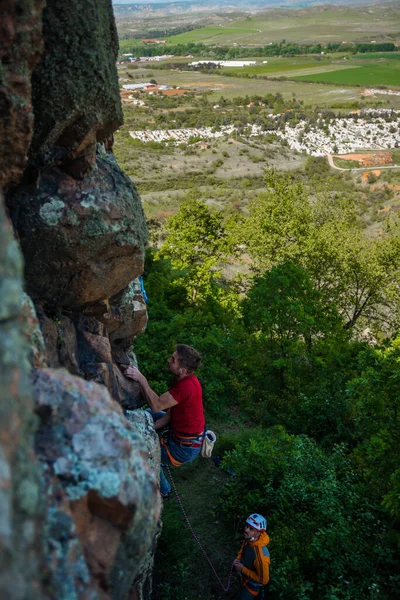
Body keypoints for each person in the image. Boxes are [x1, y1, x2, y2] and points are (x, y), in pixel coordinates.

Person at [124, 344, 205, 498]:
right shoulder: (187, 380)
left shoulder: (186, 387)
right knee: (146, 415)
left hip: (185, 447)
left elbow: (156, 405)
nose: (169, 360)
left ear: (183, 370)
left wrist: (140, 378)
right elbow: (170, 413)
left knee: (149, 455)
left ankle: (164, 490)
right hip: (184, 435)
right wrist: (150, 428)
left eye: (173, 359)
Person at [233, 513, 270, 599]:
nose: (246, 530)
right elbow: (243, 548)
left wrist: (242, 569)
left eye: (251, 529)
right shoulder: (250, 540)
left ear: (258, 533)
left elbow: (263, 580)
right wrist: (238, 559)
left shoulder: (261, 556)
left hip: (253, 587)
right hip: (245, 578)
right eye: (246, 526)